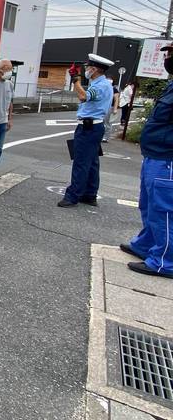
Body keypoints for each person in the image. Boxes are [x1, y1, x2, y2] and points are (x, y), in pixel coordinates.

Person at [122, 44, 173, 278]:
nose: (167, 58)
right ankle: (146, 245)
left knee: (165, 209)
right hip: (155, 154)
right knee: (150, 204)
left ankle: (165, 260)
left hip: (167, 157)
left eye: (171, 54)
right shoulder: (172, 84)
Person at [57, 53, 115, 208]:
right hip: (94, 127)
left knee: (81, 162)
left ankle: (72, 196)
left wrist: (75, 80)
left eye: (88, 68)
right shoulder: (102, 84)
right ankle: (90, 194)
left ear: (94, 69)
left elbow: (83, 96)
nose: (86, 70)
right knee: (92, 162)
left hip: (88, 128)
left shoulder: (101, 85)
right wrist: (77, 80)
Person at [102, 77, 119, 143]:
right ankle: (100, 136)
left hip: (109, 107)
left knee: (107, 123)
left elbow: (116, 100)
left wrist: (115, 109)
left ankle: (105, 137)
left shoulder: (114, 89)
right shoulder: (103, 88)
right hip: (101, 106)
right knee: (100, 122)